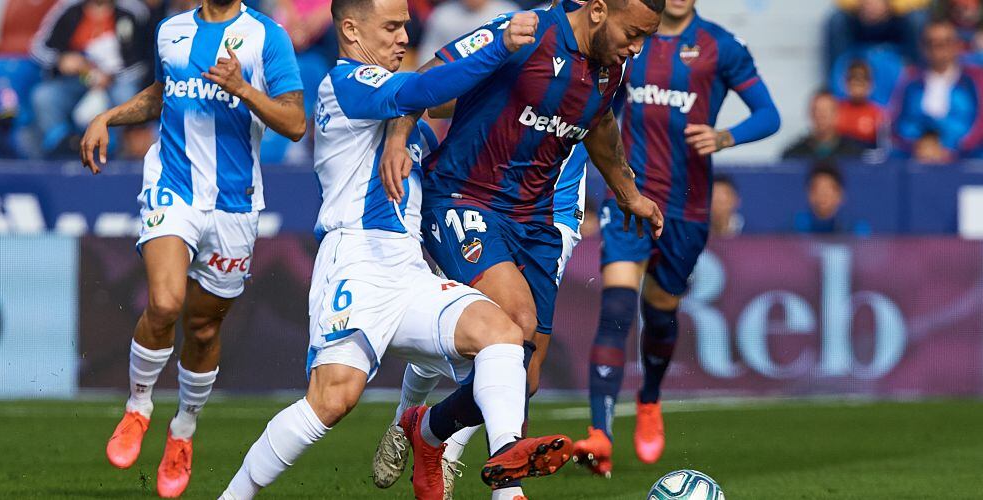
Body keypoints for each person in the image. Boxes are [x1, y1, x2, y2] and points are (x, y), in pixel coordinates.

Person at [217, 3, 574, 500]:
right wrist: (502, 44)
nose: (404, 37)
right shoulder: (346, 83)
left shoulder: (398, 115)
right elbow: (420, 89)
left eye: (406, 25)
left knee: (503, 335)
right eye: (390, 27)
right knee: (332, 400)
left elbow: (426, 107)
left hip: (407, 269)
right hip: (356, 262)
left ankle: (506, 480)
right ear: (349, 29)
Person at [373, 0, 666, 495]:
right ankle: (508, 488)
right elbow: (432, 74)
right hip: (465, 197)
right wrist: (398, 139)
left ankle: (426, 429)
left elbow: (598, 126)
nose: (636, 47)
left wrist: (629, 194)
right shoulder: (527, 32)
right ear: (597, 10)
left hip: (534, 222)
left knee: (523, 376)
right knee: (517, 323)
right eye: (633, 33)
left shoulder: (611, 69)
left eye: (644, 39)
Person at [78, 0, 306, 497]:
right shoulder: (170, 31)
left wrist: (244, 89)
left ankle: (183, 429)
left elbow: (294, 121)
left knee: (203, 328)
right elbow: (164, 94)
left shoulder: (267, 37)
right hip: (173, 185)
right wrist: (109, 116)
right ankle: (138, 406)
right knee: (164, 302)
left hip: (233, 203)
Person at [571, 0, 780, 476]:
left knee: (661, 312)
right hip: (631, 196)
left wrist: (727, 136)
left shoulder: (720, 46)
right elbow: (601, 113)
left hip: (688, 208)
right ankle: (600, 434)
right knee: (617, 308)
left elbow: (769, 115)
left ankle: (649, 399)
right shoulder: (628, 39)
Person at [31, 0, 151, 156]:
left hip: (119, 81)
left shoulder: (133, 10)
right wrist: (61, 59)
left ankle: (112, 148)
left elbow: (146, 60)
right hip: (77, 80)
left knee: (126, 95)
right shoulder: (67, 8)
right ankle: (63, 145)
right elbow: (38, 48)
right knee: (44, 96)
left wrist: (111, 76)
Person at [891, 19, 983, 160]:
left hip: (965, 158)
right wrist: (916, 148)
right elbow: (896, 123)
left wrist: (953, 151)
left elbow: (980, 124)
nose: (937, 49)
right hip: (915, 158)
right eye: (930, 43)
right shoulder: (910, 80)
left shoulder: (973, 79)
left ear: (957, 45)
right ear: (922, 46)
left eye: (944, 43)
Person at [783, 89, 867, 161]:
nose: (821, 117)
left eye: (826, 112)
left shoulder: (853, 153)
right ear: (810, 114)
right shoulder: (794, 154)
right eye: (817, 111)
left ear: (837, 115)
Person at [793, 162, 871, 235]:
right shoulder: (797, 229)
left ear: (840, 194)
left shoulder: (855, 229)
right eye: (818, 189)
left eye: (828, 189)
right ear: (810, 194)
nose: (823, 195)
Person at [837, 60, 884, 148]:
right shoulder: (837, 111)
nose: (857, 82)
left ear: (870, 83)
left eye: (863, 78)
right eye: (853, 77)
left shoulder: (878, 114)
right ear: (846, 82)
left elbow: (883, 148)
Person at [709, 173, 742, 238]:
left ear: (736, 200)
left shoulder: (753, 233)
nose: (717, 201)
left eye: (723, 196)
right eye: (713, 195)